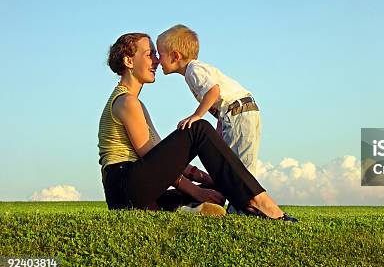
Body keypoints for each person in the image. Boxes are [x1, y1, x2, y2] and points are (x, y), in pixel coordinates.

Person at [97, 32, 296, 221]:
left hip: (130, 194)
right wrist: (196, 189)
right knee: (198, 128)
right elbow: (148, 154)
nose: (156, 61)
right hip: (125, 185)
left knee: (212, 194)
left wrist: (205, 179)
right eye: (150, 55)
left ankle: (187, 209)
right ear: (128, 61)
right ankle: (259, 201)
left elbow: (161, 155)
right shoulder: (126, 101)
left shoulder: (135, 103)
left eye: (157, 55)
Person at [156, 24, 260, 176]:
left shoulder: (193, 70)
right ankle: (239, 196)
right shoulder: (193, 72)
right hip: (236, 112)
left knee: (239, 165)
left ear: (175, 56)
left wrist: (197, 116)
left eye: (160, 55)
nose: (158, 61)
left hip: (238, 112)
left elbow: (213, 91)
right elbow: (217, 99)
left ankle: (248, 198)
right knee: (234, 162)